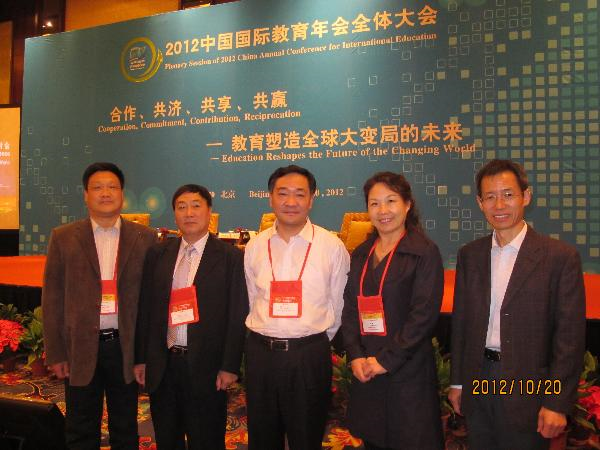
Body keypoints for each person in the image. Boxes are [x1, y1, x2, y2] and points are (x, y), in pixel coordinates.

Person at [449, 159, 586, 449]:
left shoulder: (559, 257)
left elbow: (569, 338)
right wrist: (458, 382)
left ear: (526, 196)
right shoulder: (469, 255)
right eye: (490, 197)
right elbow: (461, 324)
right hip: (479, 376)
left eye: (508, 194)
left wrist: (556, 402)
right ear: (480, 203)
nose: (499, 205)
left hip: (528, 385)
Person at [42, 162, 156, 449]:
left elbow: (151, 302)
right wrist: (56, 352)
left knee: (125, 426)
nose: (105, 193)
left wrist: (145, 355)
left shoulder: (144, 238)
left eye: (112, 187)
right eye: (97, 187)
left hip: (125, 348)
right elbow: (52, 298)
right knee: (80, 426)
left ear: (122, 194)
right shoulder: (63, 237)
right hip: (79, 347)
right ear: (85, 195)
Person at [244, 165, 350, 450]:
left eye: (300, 194)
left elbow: (339, 305)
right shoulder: (255, 246)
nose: (291, 202)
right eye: (282, 194)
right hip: (260, 356)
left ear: (312, 199)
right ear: (270, 198)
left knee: (306, 435)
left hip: (308, 357)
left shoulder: (331, 246)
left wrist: (311, 341)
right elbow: (252, 298)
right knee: (262, 437)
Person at [134, 184, 248, 450]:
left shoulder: (230, 257)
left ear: (209, 211)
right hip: (164, 364)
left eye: (196, 206)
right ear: (174, 214)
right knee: (167, 438)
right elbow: (146, 308)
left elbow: (237, 313)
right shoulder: (157, 254)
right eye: (181, 207)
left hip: (207, 367)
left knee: (206, 439)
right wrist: (141, 358)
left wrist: (230, 365)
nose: (189, 213)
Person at [341, 172, 444, 450]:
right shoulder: (361, 253)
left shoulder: (424, 252)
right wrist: (356, 355)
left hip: (407, 369)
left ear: (407, 204)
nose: (383, 210)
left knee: (409, 440)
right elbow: (350, 308)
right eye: (374, 203)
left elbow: (423, 316)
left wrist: (386, 360)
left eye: (391, 201)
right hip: (367, 367)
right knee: (373, 439)